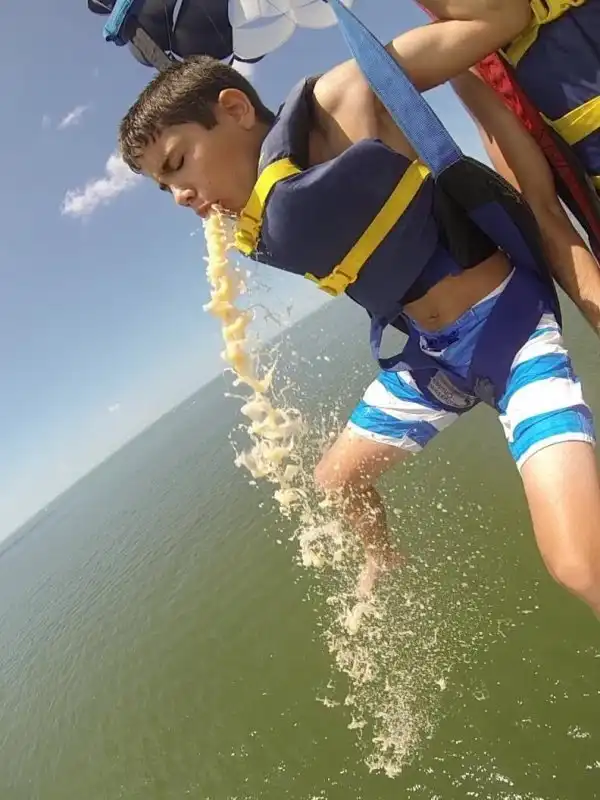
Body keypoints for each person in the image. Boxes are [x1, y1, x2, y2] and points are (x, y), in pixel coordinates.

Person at [117, 17, 600, 618]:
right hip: (431, 364)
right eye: (164, 189)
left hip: (512, 336)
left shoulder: (346, 96)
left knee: (578, 564)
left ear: (235, 109)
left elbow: (493, 24)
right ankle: (383, 558)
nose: (181, 197)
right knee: (336, 481)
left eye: (177, 163)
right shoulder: (256, 215)